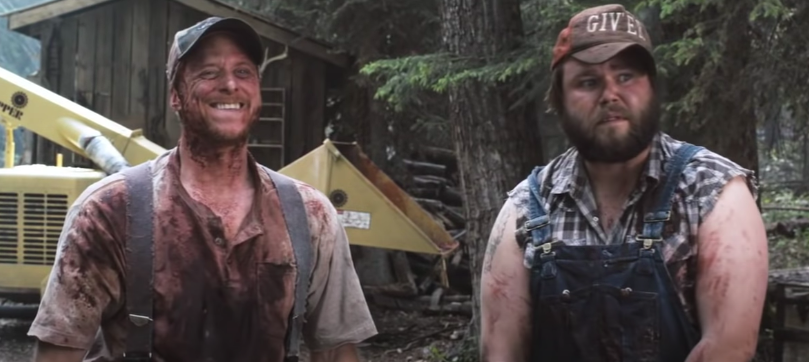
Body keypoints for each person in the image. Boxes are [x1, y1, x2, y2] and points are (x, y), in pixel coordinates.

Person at [28, 17, 377, 362]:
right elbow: (58, 353)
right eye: (209, 73)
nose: (229, 84)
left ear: (257, 90)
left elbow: (335, 352)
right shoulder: (109, 212)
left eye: (243, 72)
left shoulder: (308, 215)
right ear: (175, 96)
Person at [479, 4, 768, 362]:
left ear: (651, 87)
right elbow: (500, 352)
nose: (610, 94)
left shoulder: (711, 191)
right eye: (588, 82)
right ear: (560, 100)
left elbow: (729, 349)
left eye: (626, 76)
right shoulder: (527, 207)